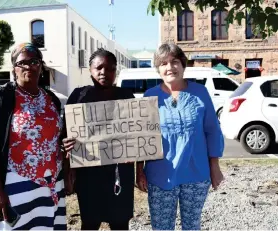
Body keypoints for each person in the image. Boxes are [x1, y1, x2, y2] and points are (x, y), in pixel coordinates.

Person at [136, 43, 225, 230]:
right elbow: (142, 136)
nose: (169, 67)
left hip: (196, 174)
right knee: (161, 227)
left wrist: (214, 166)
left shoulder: (200, 93)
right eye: (163, 63)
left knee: (192, 226)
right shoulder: (149, 96)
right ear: (158, 68)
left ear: (183, 64)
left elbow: (212, 130)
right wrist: (139, 171)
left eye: (174, 61)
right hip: (160, 175)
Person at [0, 43, 66, 230]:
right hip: (15, 183)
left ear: (41, 67)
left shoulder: (52, 99)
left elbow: (57, 137)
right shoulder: (1, 98)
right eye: (22, 63)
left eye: (34, 61)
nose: (29, 66)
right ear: (14, 69)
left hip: (50, 181)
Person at [62, 48, 135, 230]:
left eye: (110, 68)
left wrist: (139, 165)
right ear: (90, 69)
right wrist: (66, 148)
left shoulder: (126, 96)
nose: (104, 72)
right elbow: (64, 134)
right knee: (90, 222)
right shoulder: (78, 96)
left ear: (115, 70)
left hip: (120, 173)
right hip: (88, 175)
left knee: (120, 223)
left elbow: (137, 135)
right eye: (99, 67)